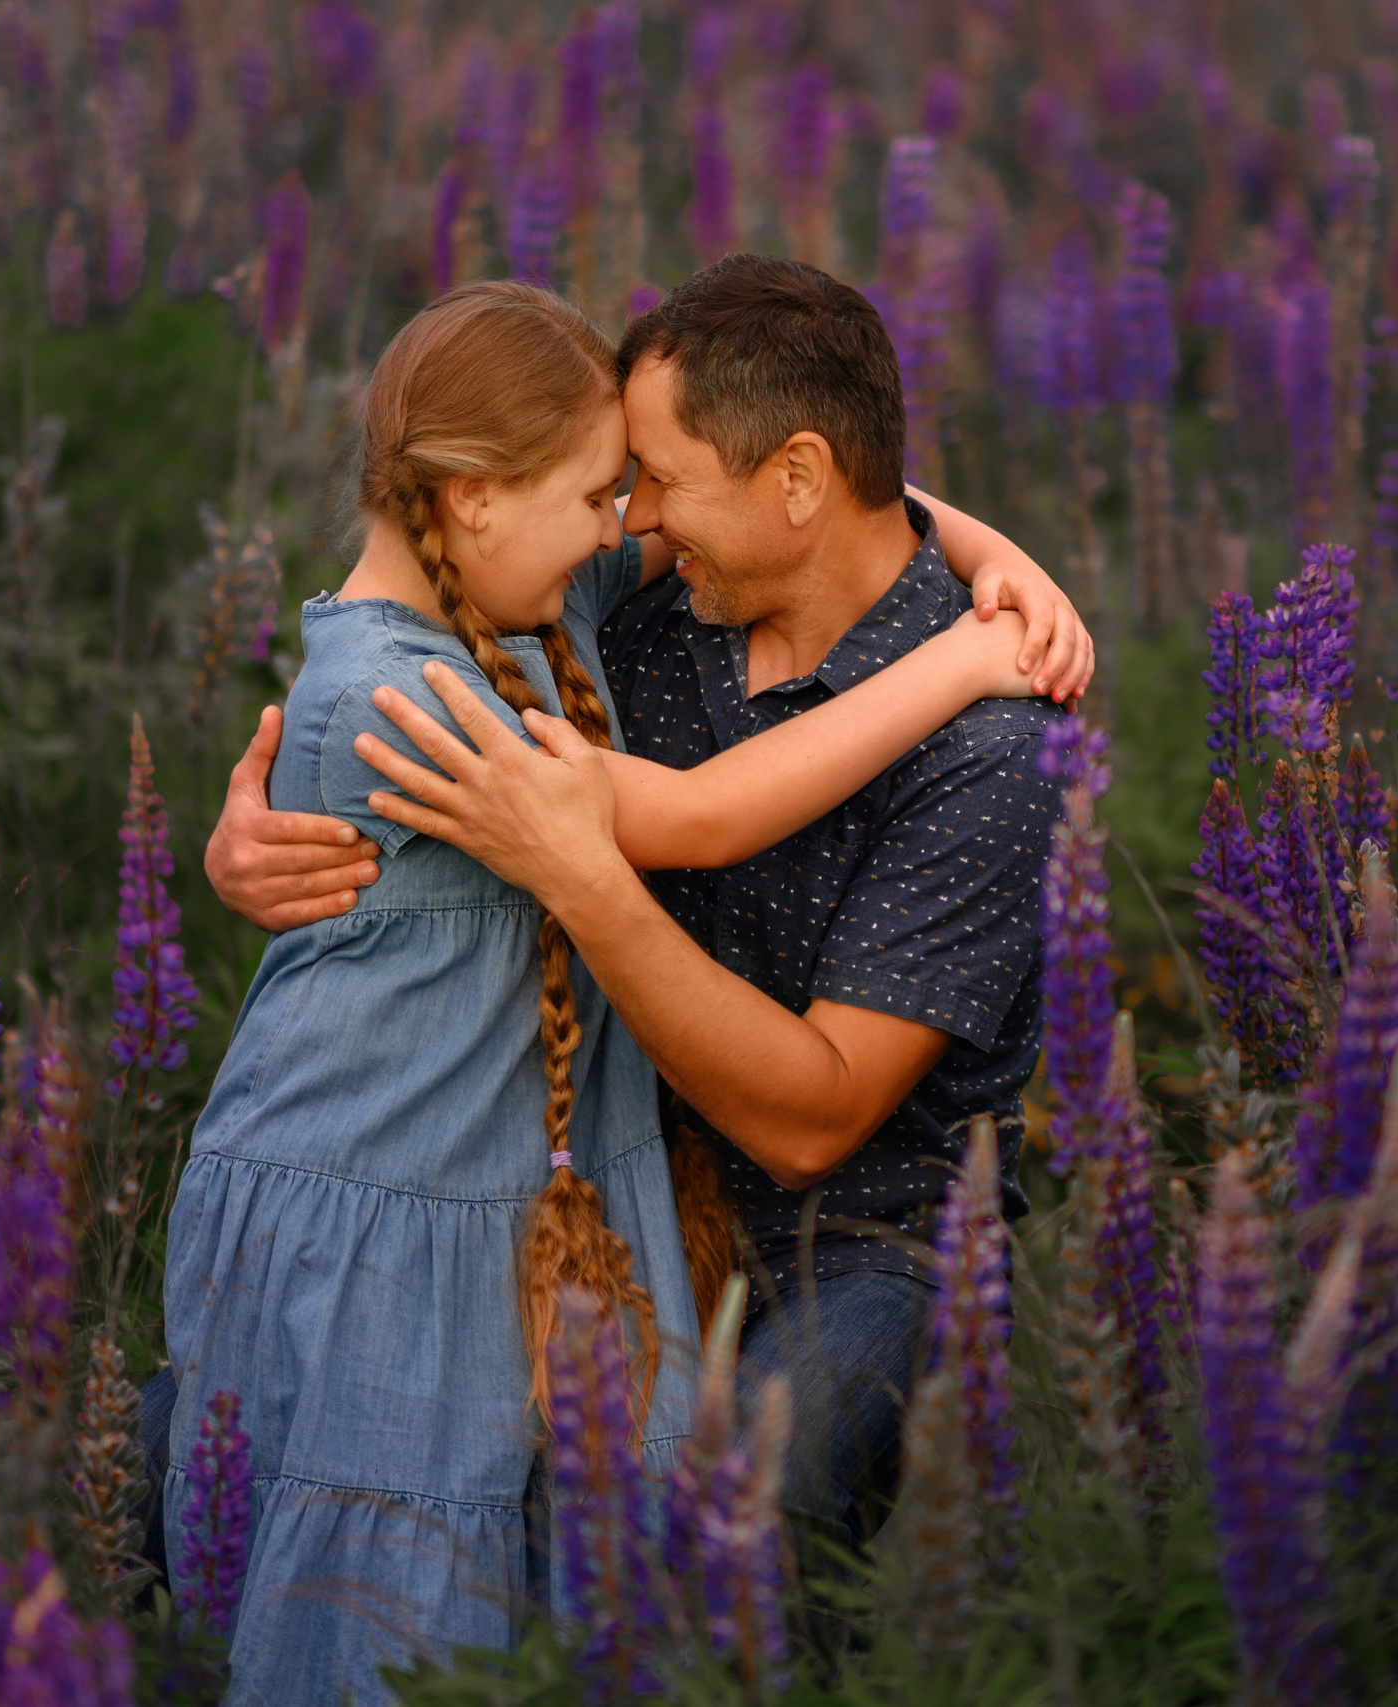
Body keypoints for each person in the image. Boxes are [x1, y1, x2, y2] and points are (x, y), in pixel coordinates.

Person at [160, 278, 1084, 1706]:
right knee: (369, 1513)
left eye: (649, 485)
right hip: (498, 1175)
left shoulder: (983, 759)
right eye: (613, 489)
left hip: (846, 1225)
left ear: (796, 482)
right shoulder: (588, 621)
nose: (632, 523)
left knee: (719, 1512)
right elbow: (682, 807)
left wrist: (988, 581)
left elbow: (814, 1119)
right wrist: (249, 843)